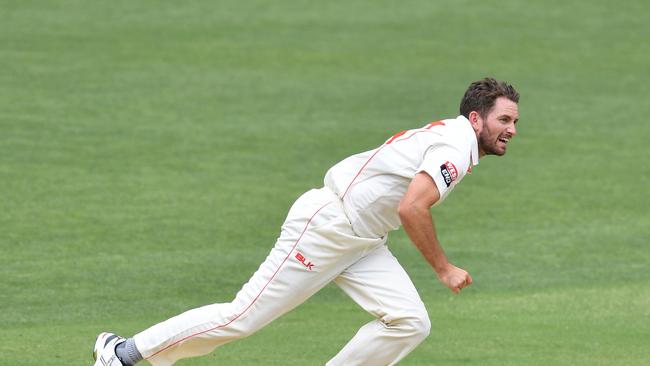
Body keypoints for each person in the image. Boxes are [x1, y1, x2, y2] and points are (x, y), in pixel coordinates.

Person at [93, 77, 520, 366]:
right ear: (476, 119)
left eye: (515, 121)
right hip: (327, 227)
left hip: (364, 239)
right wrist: (443, 269)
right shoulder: (456, 144)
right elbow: (413, 207)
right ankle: (123, 354)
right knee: (241, 317)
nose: (512, 129)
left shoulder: (453, 138)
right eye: (504, 119)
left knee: (410, 321)